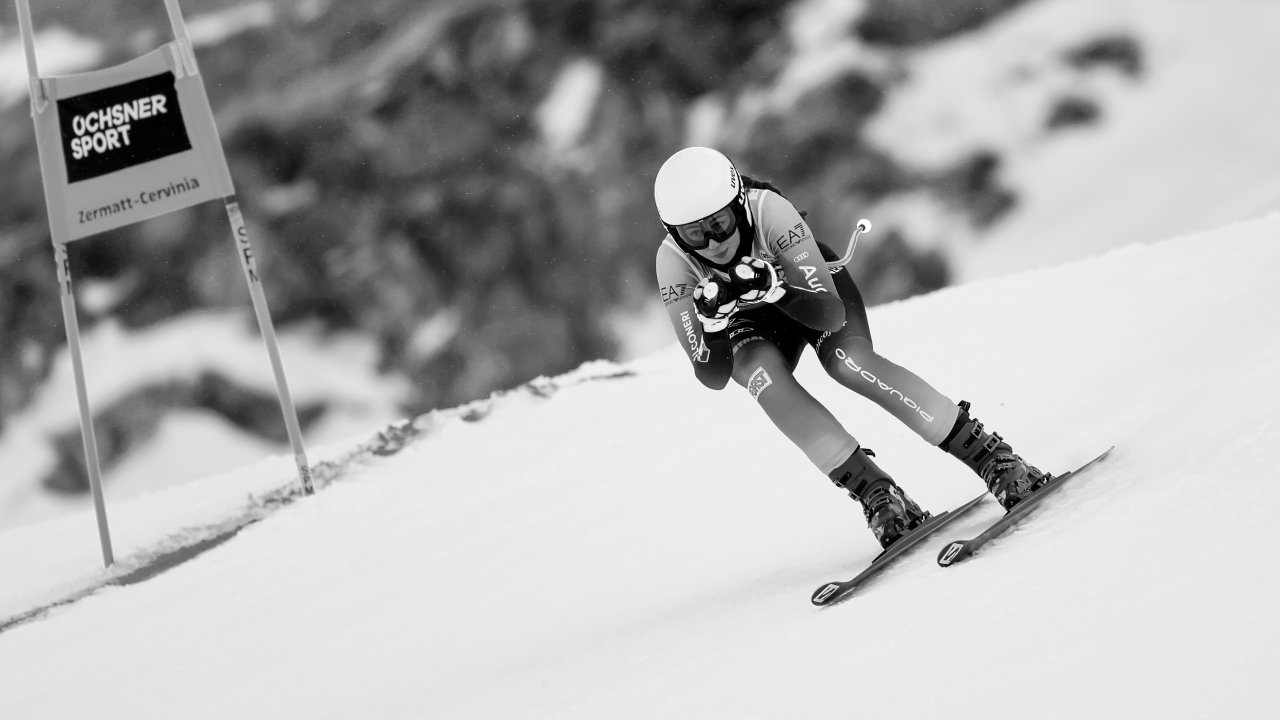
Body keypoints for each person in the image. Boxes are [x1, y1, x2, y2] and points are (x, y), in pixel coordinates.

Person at [653, 146, 1049, 549]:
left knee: (848, 362)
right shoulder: (673, 264)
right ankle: (878, 494)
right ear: (675, 233)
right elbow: (713, 374)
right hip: (748, 327)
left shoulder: (769, 211)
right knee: (763, 380)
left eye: (719, 223)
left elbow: (827, 314)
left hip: (807, 296)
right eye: (694, 234)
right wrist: (714, 324)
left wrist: (776, 289)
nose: (714, 243)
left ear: (738, 204)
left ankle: (992, 456)